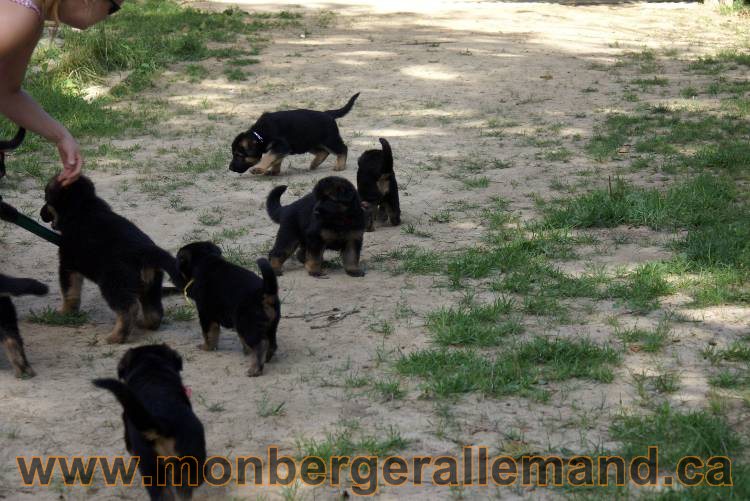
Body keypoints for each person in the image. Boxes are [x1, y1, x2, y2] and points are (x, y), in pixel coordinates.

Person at [0, 0, 124, 187]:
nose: (105, 18)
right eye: (112, 8)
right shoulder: (22, 15)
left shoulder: (31, 14)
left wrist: (61, 136)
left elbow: (7, 93)